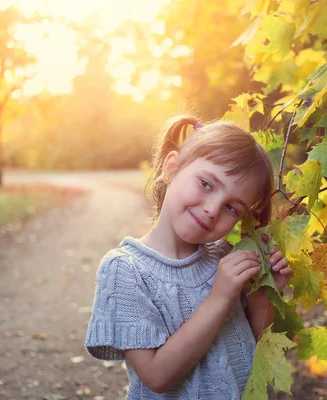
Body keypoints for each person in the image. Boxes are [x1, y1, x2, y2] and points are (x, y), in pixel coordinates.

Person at [84, 115, 293, 399]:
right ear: (171, 167)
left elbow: (251, 347)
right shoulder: (125, 270)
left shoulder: (223, 258)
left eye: (232, 207)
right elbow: (157, 377)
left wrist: (262, 298)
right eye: (206, 184)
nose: (212, 209)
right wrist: (220, 297)